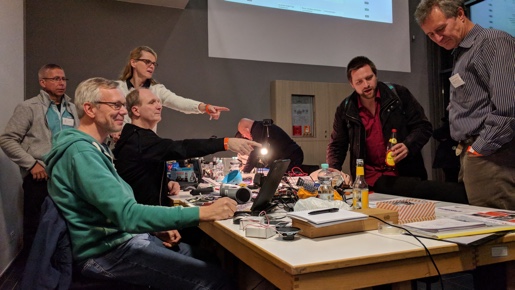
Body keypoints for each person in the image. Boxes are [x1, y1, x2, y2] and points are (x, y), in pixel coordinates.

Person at [43, 77, 237, 289]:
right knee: (214, 280)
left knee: (208, 258)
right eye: (115, 105)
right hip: (106, 252)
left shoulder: (97, 148)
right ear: (89, 109)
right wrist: (203, 213)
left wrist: (155, 229)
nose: (123, 111)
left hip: (120, 238)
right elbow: (128, 215)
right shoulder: (81, 153)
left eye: (123, 105)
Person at [415, 0, 515, 210]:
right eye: (431, 35)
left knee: (498, 235)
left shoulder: (492, 42)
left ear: (460, 14)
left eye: (441, 29)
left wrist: (479, 148)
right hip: (475, 155)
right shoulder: (462, 52)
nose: (438, 39)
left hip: (493, 157)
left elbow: (509, 109)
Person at [113, 88, 261, 206]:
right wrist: (226, 142)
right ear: (136, 110)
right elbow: (181, 147)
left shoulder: (136, 137)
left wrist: (164, 183)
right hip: (144, 229)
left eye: (159, 102)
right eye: (152, 102)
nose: (159, 106)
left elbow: (140, 175)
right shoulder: (139, 139)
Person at [0, 64, 79, 249]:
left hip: (67, 178)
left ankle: (60, 269)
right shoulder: (29, 107)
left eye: (63, 79)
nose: (61, 83)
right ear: (42, 82)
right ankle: (32, 273)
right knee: (36, 226)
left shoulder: (72, 109)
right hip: (39, 178)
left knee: (65, 225)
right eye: (55, 79)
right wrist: (32, 164)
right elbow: (7, 139)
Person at [327, 56, 432, 188]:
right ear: (352, 84)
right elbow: (337, 145)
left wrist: (408, 145)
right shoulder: (345, 109)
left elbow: (423, 126)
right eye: (359, 82)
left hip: (404, 177)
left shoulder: (399, 94)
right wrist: (333, 170)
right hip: (367, 182)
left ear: (376, 76)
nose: (366, 85)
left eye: (369, 78)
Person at [117, 46, 229, 124]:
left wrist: (205, 107)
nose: (151, 66)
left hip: (145, 147)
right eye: (147, 62)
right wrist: (113, 132)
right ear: (133, 63)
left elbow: (180, 102)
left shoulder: (157, 89)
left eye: (154, 63)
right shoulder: (117, 88)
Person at [236, 118, 304, 172]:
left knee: (282, 176)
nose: (245, 136)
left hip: (292, 156)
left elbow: (255, 153)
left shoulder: (258, 130)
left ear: (246, 129)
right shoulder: (260, 126)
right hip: (292, 154)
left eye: (243, 133)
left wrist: (245, 171)